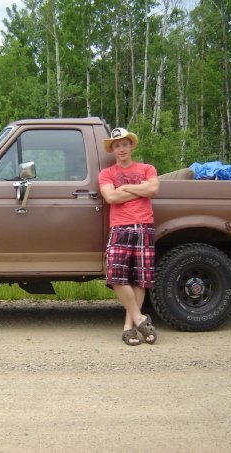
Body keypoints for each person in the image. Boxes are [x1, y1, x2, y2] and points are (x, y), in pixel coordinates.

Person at [98, 127, 160, 346]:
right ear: (113, 149)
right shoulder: (107, 173)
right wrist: (137, 188)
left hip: (144, 225)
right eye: (117, 145)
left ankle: (129, 327)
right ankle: (141, 319)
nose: (121, 148)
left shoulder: (147, 168)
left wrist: (124, 187)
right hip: (120, 226)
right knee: (116, 276)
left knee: (140, 278)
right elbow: (111, 196)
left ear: (131, 145)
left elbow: (153, 189)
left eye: (125, 144)